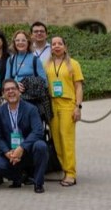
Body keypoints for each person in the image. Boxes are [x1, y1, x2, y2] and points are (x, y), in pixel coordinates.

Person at [0, 79, 49, 192]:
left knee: (41, 146)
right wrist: (7, 152)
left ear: (19, 91)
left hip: (28, 151)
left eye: (13, 88)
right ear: (3, 94)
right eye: (7, 90)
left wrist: (22, 147)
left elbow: (38, 131)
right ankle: (19, 177)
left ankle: (38, 183)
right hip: (11, 152)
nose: (10, 92)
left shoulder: (31, 109)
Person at [45, 36, 83, 187]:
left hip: (68, 104)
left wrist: (78, 107)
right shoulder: (46, 65)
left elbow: (79, 86)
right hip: (53, 103)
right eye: (54, 44)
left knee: (66, 139)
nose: (56, 46)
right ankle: (64, 168)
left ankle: (71, 173)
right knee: (57, 140)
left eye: (60, 44)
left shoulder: (73, 64)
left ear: (65, 47)